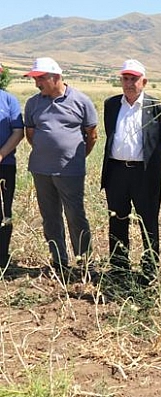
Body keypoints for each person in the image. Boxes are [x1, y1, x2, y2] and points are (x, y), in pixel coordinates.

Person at [24, 57, 97, 272]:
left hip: (70, 171)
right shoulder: (33, 103)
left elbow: (91, 135)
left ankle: (85, 263)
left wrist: (74, 158)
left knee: (75, 215)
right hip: (41, 169)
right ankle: (59, 261)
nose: (37, 84)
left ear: (55, 77)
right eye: (35, 79)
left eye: (40, 79)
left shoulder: (81, 100)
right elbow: (30, 134)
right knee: (49, 216)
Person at [101, 59, 161, 281]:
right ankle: (119, 268)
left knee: (148, 221)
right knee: (117, 220)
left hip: (145, 173)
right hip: (117, 172)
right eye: (126, 78)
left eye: (134, 79)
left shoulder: (157, 107)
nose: (129, 83)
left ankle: (150, 269)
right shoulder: (111, 105)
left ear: (144, 81)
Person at [0, 63, 25, 267]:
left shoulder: (9, 100)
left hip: (4, 164)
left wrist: (1, 154)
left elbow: (18, 131)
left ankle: (1, 256)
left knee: (3, 210)